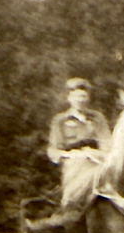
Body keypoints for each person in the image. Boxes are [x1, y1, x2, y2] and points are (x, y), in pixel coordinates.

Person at [47, 77, 112, 214]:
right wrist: (72, 155)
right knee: (79, 166)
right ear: (69, 98)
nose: (80, 100)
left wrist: (95, 154)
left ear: (88, 98)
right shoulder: (61, 120)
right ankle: (69, 206)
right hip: (73, 164)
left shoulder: (97, 118)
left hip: (97, 161)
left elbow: (107, 145)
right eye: (76, 96)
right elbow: (53, 151)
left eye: (83, 96)